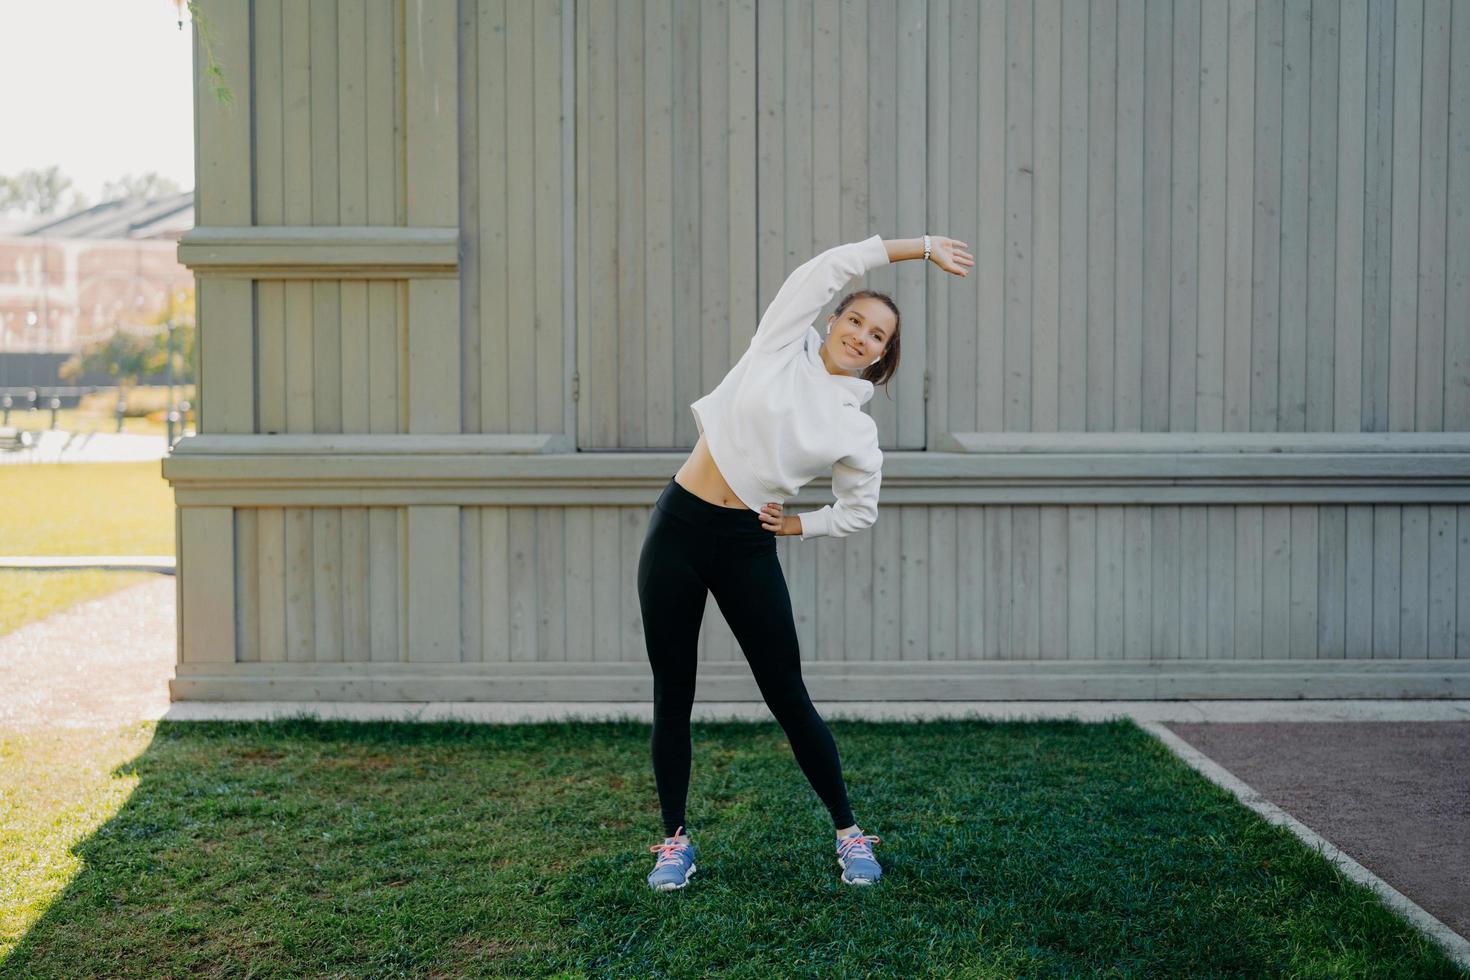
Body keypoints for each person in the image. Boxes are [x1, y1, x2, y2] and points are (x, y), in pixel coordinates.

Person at [637, 233, 973, 891]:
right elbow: (829, 267)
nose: (861, 336)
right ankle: (673, 842)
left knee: (787, 694)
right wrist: (922, 247)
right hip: (677, 527)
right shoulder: (777, 346)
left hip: (743, 545)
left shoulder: (856, 428)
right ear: (832, 321)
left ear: (882, 357)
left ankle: (850, 834)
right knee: (672, 694)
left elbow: (860, 508)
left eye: (877, 336)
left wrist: (799, 523)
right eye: (855, 320)